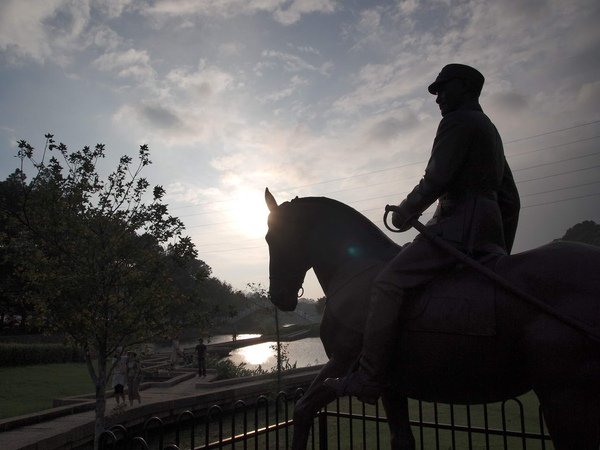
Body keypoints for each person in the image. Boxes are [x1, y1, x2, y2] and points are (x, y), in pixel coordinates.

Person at [324, 63, 521, 404]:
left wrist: (406, 211)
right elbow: (511, 198)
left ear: (466, 87)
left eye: (444, 89)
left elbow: (436, 177)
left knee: (388, 283)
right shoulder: (490, 130)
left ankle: (370, 378)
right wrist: (500, 247)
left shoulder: (457, 121)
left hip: (457, 228)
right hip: (487, 230)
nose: (438, 98)